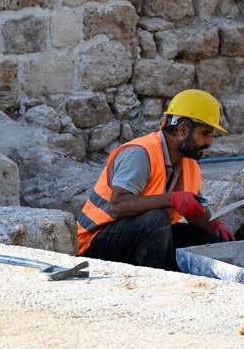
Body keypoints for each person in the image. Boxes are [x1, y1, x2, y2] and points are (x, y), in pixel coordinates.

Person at [75, 89, 234, 270]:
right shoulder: (141, 153)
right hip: (94, 243)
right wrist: (172, 199)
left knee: (206, 239)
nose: (210, 142)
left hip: (136, 235)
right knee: (156, 219)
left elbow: (192, 209)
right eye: (205, 133)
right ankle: (162, 282)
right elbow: (117, 205)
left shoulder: (189, 166)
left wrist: (214, 226)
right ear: (183, 129)